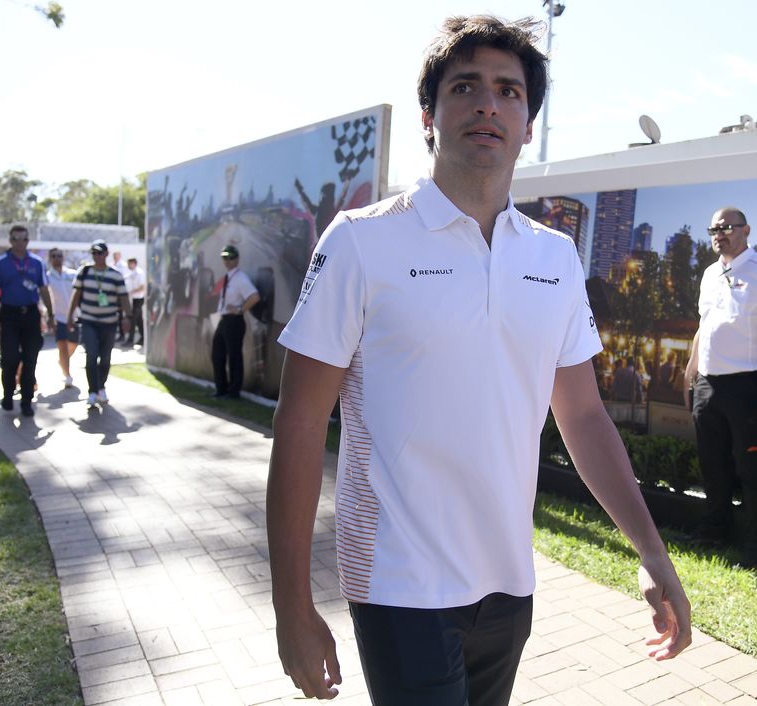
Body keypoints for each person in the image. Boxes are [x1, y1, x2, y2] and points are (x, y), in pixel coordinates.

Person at [266, 16, 691, 705]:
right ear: (429, 115)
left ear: (528, 123)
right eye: (465, 87)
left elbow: (582, 415)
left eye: (508, 91)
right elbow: (299, 421)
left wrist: (650, 552)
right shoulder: (361, 242)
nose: (487, 104)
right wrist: (292, 607)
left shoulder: (552, 257)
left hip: (508, 583)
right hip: (397, 580)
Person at [683, 207, 756, 567]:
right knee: (713, 465)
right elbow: (704, 323)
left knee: (751, 469)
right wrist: (691, 367)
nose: (719, 233)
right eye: (714, 228)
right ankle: (713, 531)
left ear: (746, 230)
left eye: (726, 227)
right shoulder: (711, 273)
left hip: (748, 386)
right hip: (708, 385)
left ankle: (753, 548)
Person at [0, 225, 54, 417]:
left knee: (30, 359)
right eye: (15, 239)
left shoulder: (37, 262)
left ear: (28, 241)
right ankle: (8, 394)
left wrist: (51, 316)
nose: (19, 243)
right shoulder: (0, 263)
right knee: (9, 359)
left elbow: (44, 290)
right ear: (10, 241)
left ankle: (26, 401)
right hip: (9, 315)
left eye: (23, 239)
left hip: (31, 315)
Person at [67, 239, 130, 406]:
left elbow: (124, 298)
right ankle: (92, 391)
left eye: (99, 253)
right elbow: (76, 295)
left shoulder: (115, 275)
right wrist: (69, 316)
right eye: (93, 253)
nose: (96, 256)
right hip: (89, 321)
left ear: (106, 254)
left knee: (106, 358)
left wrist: (127, 318)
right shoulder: (85, 272)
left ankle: (101, 386)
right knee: (91, 355)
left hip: (109, 322)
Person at [211, 244, 259, 399]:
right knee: (217, 354)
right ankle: (221, 389)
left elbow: (254, 296)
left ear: (237, 259)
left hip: (235, 320)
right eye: (225, 257)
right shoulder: (228, 277)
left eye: (230, 257)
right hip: (225, 319)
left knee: (234, 356)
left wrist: (240, 309)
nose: (227, 261)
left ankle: (233, 391)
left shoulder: (240, 277)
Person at [46, 248, 80, 388]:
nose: (57, 258)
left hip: (74, 316)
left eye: (59, 256)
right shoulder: (47, 276)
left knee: (73, 344)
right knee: (63, 346)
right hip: (58, 317)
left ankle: (63, 361)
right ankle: (67, 375)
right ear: (50, 258)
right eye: (53, 256)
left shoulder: (72, 274)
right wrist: (48, 316)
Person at [124, 257, 146, 346]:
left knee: (133, 319)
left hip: (139, 299)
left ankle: (130, 340)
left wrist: (131, 292)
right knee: (139, 320)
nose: (128, 265)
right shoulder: (131, 273)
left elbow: (142, 287)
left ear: (134, 263)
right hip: (134, 299)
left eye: (130, 263)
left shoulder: (140, 273)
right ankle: (143, 338)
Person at [111, 250, 129, 343]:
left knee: (122, 315)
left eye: (116, 255)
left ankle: (123, 335)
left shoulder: (123, 266)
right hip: (114, 293)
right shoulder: (112, 265)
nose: (115, 257)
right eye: (114, 255)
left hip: (120, 293)